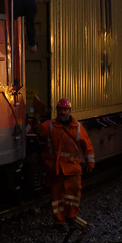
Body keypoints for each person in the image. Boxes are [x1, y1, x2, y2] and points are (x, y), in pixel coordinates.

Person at [39, 98, 95, 231]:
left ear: (69, 111)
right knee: (56, 197)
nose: (62, 112)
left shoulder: (78, 128)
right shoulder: (50, 126)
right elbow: (38, 130)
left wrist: (90, 162)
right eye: (60, 109)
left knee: (73, 194)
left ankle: (71, 217)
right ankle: (59, 222)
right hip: (56, 169)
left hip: (72, 168)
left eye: (65, 109)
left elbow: (87, 146)